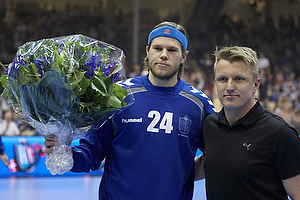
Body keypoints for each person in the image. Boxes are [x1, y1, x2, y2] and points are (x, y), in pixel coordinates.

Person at [45, 21, 215, 200]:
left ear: (184, 56)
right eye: (158, 48)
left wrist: (183, 174)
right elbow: (93, 152)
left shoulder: (199, 104)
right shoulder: (117, 95)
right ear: (147, 51)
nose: (164, 55)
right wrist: (64, 153)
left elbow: (218, 155)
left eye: (172, 50)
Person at [194, 46, 300, 200]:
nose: (229, 87)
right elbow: (210, 160)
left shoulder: (279, 134)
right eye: (222, 79)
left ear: (256, 85)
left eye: (239, 79)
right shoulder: (210, 125)